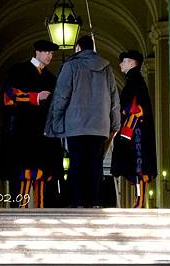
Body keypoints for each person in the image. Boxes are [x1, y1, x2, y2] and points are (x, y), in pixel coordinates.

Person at [44, 35, 120, 208]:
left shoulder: (70, 66)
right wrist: (115, 124)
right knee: (95, 164)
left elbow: (62, 96)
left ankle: (77, 201)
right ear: (92, 47)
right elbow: (114, 98)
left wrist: (56, 121)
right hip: (100, 126)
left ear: (78, 47)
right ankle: (94, 201)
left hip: (75, 125)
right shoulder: (106, 66)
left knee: (77, 164)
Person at [0, 39, 64, 208]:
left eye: (52, 53)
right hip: (22, 130)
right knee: (24, 170)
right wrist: (35, 97)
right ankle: (21, 207)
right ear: (37, 52)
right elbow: (9, 96)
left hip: (43, 132)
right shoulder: (18, 70)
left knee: (42, 170)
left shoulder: (51, 78)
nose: (50, 56)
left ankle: (40, 207)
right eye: (47, 52)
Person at [111, 50, 157, 208]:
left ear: (131, 62)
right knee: (136, 165)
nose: (120, 64)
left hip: (135, 130)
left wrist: (126, 124)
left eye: (123, 61)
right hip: (134, 129)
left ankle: (140, 199)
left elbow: (134, 107)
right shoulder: (134, 79)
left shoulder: (134, 80)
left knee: (139, 165)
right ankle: (139, 199)